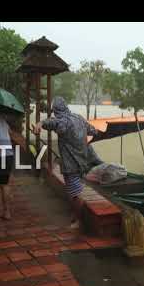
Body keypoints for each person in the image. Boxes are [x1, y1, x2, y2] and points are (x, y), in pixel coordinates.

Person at [33, 96, 100, 229]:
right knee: (75, 191)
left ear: (55, 110)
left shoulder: (61, 121)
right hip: (83, 162)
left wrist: (40, 124)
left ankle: (78, 221)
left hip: (71, 165)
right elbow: (94, 130)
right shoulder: (79, 118)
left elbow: (52, 123)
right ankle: (74, 216)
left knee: (76, 194)